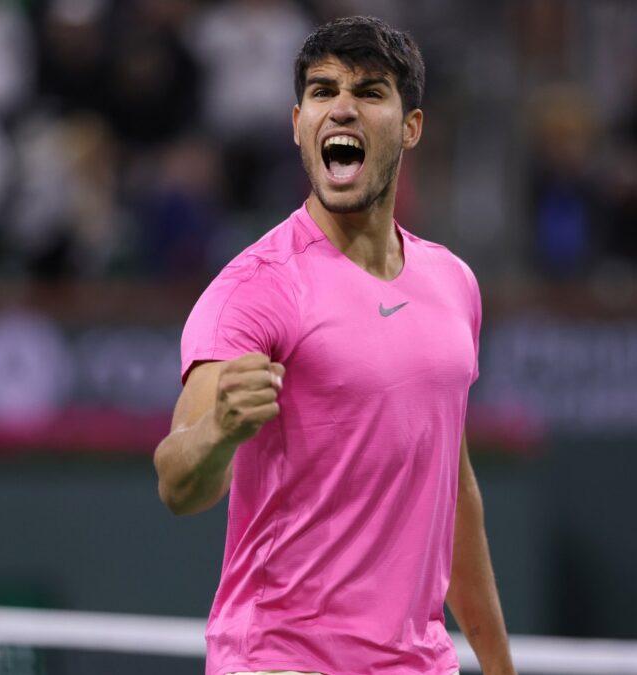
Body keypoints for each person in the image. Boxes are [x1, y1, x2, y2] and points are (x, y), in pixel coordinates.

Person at [153, 16, 515, 675]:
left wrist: (499, 665)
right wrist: (221, 432)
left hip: (417, 662)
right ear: (298, 123)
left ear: (411, 128)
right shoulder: (254, 289)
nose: (341, 106)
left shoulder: (454, 282)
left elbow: (453, 498)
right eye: (322, 91)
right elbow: (178, 480)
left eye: (370, 91)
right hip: (278, 659)